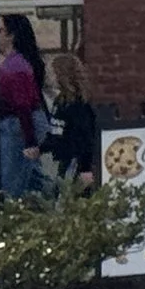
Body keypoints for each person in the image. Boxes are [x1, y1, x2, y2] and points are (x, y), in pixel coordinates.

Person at [0, 14, 48, 198]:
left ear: (11, 36)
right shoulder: (17, 64)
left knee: (11, 182)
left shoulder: (15, 68)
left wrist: (30, 141)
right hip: (19, 125)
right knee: (32, 176)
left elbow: (22, 106)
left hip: (16, 126)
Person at [40, 50, 98, 190]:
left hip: (75, 160)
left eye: (52, 72)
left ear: (61, 75)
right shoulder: (60, 102)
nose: (48, 76)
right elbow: (56, 132)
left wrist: (86, 168)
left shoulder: (78, 106)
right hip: (64, 158)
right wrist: (41, 148)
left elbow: (86, 138)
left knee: (68, 197)